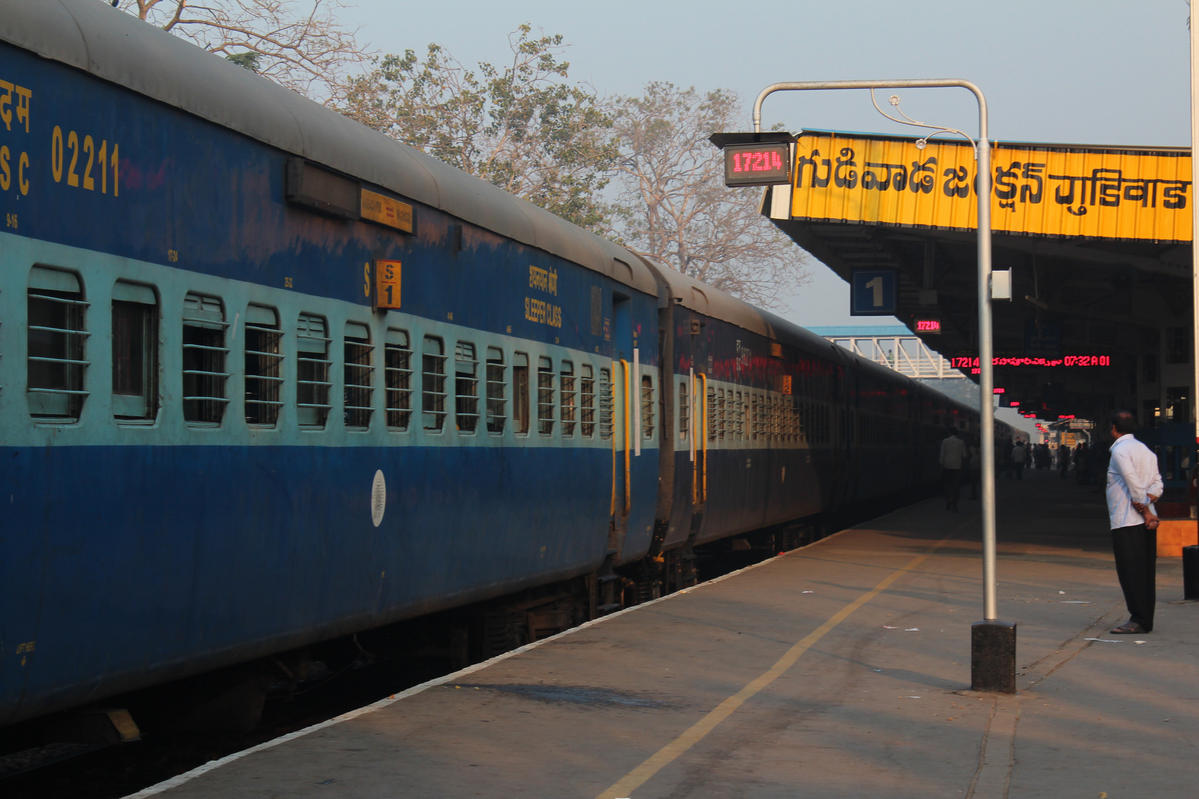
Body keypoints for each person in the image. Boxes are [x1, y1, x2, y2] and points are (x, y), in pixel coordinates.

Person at [1105, 410, 1164, 634]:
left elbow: (1133, 484)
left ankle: (1137, 619)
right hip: (1145, 523)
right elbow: (1158, 483)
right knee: (1146, 572)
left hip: (1127, 521)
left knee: (1130, 572)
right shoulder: (1146, 450)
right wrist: (1149, 503)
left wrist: (1145, 510)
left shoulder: (1120, 451)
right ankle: (1145, 619)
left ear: (1113, 428)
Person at [939, 427, 966, 511]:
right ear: (957, 434)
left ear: (949, 433)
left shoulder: (945, 441)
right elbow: (964, 455)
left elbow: (942, 455)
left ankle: (948, 500)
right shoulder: (961, 442)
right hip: (957, 467)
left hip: (947, 466)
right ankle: (954, 504)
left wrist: (941, 465)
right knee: (956, 486)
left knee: (947, 485)